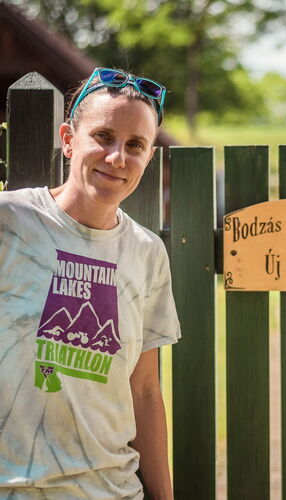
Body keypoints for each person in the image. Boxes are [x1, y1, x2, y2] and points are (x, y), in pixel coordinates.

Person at [0, 67, 180, 499]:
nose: (117, 157)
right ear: (68, 140)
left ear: (148, 157)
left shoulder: (147, 252)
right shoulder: (9, 221)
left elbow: (144, 391)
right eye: (103, 136)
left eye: (135, 145)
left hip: (113, 489)